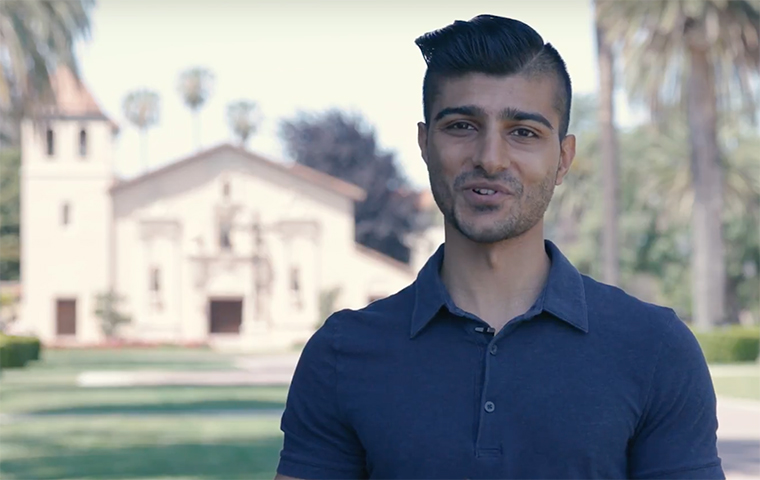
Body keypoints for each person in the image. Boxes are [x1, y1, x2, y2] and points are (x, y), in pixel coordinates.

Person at [275, 14, 724, 480]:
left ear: (563, 158)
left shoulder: (656, 349)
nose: (490, 158)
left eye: (523, 132)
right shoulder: (341, 353)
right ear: (425, 144)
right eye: (461, 126)